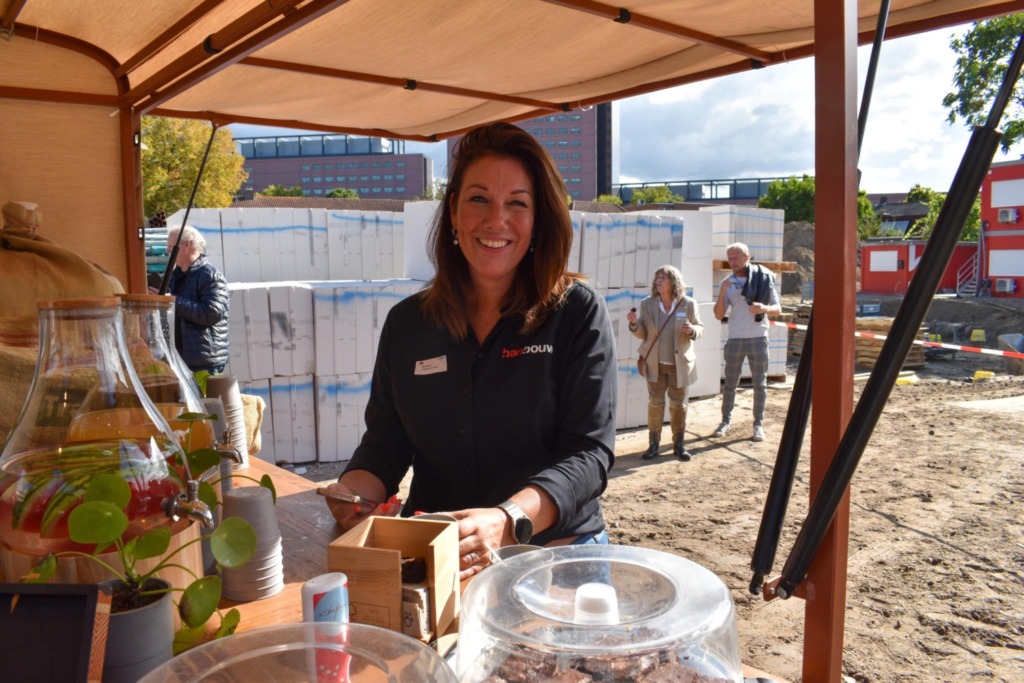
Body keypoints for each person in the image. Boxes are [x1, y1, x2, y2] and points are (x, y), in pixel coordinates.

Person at [324, 122, 617, 581]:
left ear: (538, 221)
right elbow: (386, 442)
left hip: (555, 557)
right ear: (454, 214)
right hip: (441, 558)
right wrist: (353, 495)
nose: (496, 220)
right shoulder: (407, 324)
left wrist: (506, 521)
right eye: (479, 198)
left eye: (517, 203)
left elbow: (589, 455)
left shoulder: (576, 313)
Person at [627, 265, 703, 462]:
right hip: (655, 364)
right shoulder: (648, 304)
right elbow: (643, 333)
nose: (658, 281)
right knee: (655, 404)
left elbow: (700, 328)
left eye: (663, 278)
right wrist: (634, 323)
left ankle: (679, 445)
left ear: (673, 282)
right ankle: (653, 445)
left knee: (679, 405)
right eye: (657, 278)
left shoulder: (688, 304)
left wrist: (692, 330)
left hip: (680, 365)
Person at [712, 242, 781, 442]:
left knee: (760, 383)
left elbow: (778, 308)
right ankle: (725, 421)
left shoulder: (764, 278)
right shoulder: (727, 282)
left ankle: (758, 425)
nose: (732, 261)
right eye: (730, 258)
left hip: (758, 337)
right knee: (730, 383)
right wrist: (723, 291)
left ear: (747, 258)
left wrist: (763, 308)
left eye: (736, 257)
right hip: (735, 338)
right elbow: (718, 315)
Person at [160, 225, 230, 375]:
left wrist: (173, 301)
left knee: (204, 399)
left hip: (203, 364)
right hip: (178, 359)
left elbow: (211, 314)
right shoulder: (174, 276)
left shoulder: (211, 276)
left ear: (187, 245)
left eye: (171, 246)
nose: (167, 251)